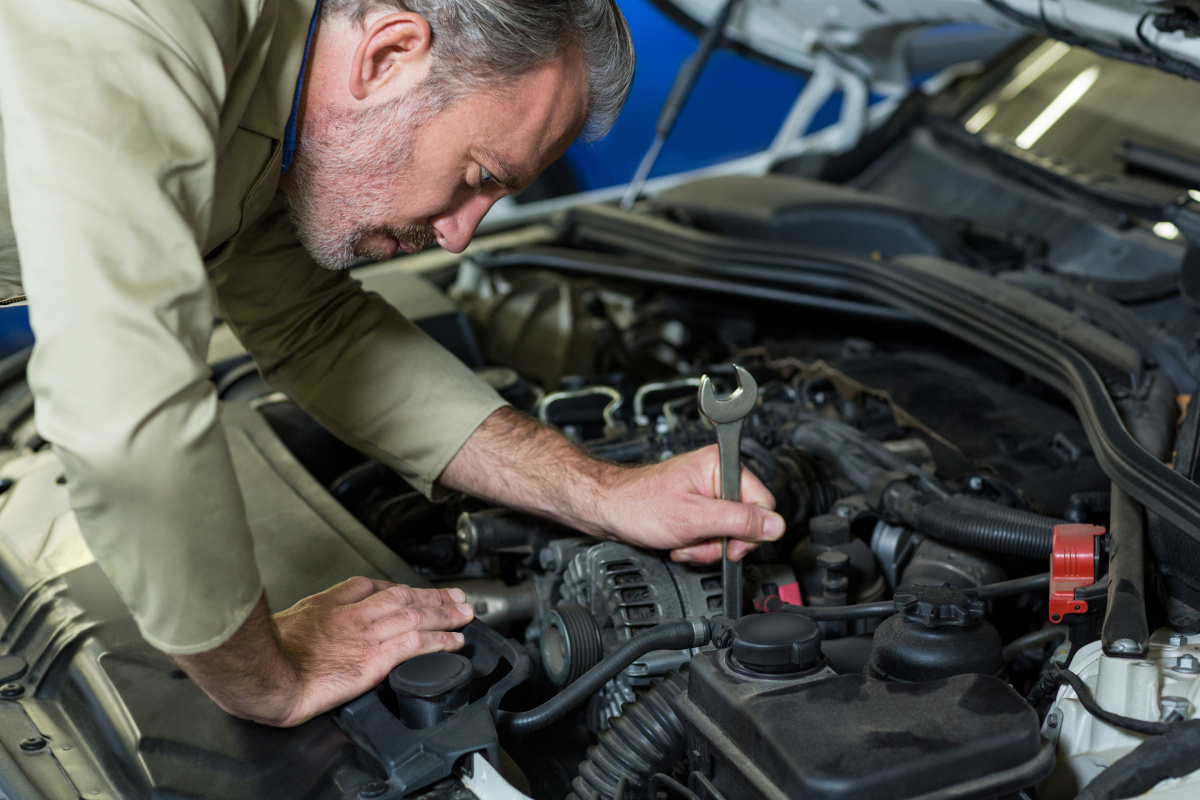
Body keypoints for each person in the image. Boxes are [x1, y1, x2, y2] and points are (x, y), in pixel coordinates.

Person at [0, 0, 785, 727]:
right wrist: (266, 678)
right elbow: (124, 409)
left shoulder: (279, 90)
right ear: (389, 55)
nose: (460, 238)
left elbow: (312, 322)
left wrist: (598, 491)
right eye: (479, 176)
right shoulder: (139, 25)